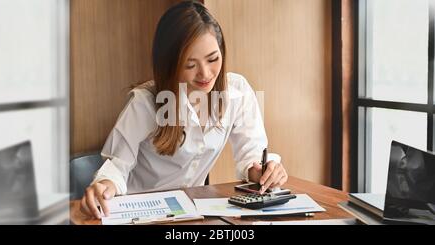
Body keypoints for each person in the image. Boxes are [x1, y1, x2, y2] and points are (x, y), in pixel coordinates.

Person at [80, 0, 288, 219]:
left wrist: (262, 171)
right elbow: (117, 165)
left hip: (189, 212)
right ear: (170, 63)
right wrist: (104, 185)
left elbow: (251, 155)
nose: (205, 74)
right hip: (138, 214)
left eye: (213, 59)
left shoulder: (237, 92)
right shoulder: (146, 103)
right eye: (191, 65)